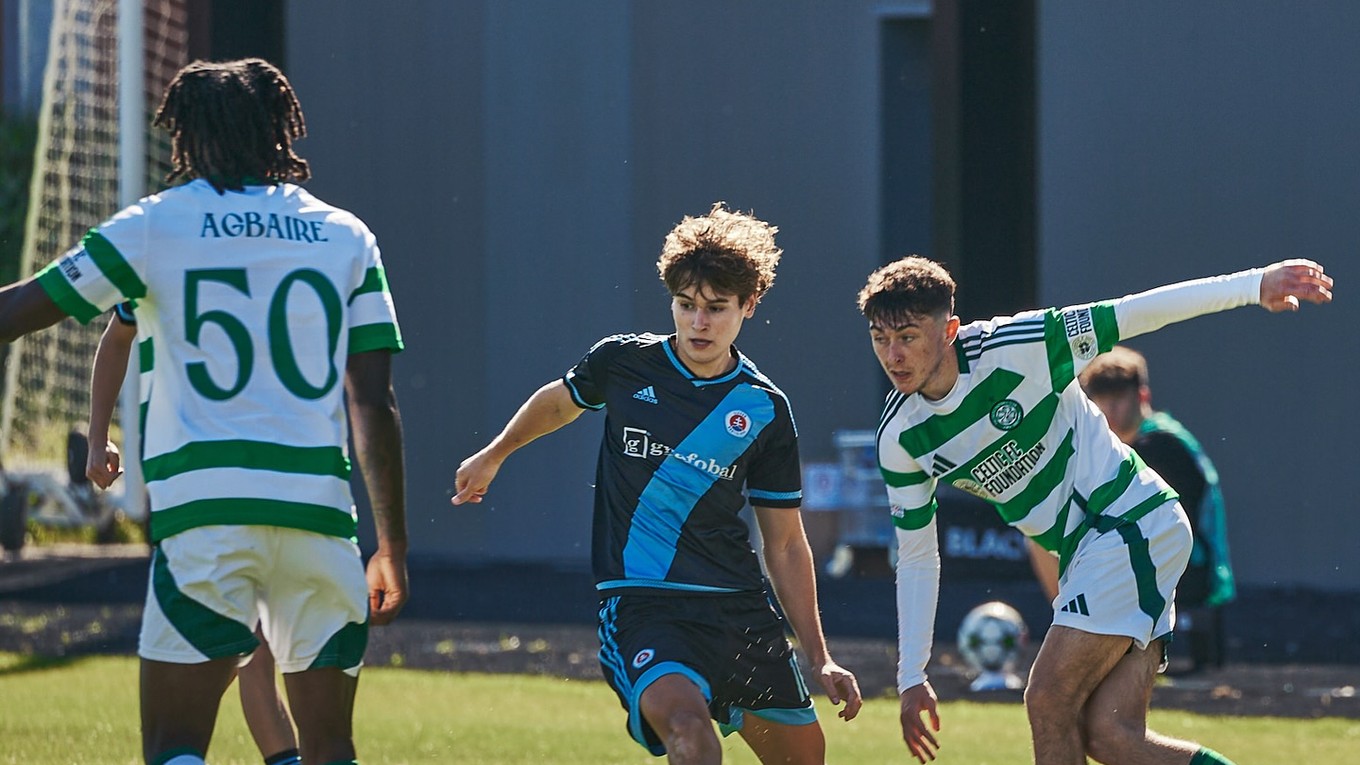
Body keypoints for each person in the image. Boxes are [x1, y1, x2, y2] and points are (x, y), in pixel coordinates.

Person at [0, 58, 408, 765]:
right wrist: (392, 544)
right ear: (280, 129)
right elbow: (373, 402)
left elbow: (22, 310)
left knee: (175, 745)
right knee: (330, 749)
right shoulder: (348, 236)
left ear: (185, 133)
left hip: (207, 520)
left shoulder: (158, 226)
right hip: (319, 521)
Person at [857, 255, 1331, 765]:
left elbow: (1131, 313)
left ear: (949, 329)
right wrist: (912, 675)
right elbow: (917, 556)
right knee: (1110, 736)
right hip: (1101, 547)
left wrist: (1252, 285)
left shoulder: (1021, 345)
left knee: (1047, 698)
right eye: (880, 339)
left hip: (1131, 521)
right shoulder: (900, 439)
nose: (893, 355)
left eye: (907, 336)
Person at [453, 202, 862, 764]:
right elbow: (559, 402)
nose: (699, 322)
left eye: (716, 309)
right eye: (686, 305)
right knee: (691, 735)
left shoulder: (764, 408)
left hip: (739, 609)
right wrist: (496, 454)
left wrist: (820, 656)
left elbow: (786, 543)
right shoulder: (624, 363)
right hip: (646, 606)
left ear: (749, 305)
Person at [86, 304, 302, 765]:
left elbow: (117, 332)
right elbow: (118, 332)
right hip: (227, 496)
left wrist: (97, 436)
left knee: (248, 658)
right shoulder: (169, 246)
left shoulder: (163, 244)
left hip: (213, 495)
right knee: (247, 658)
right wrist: (96, 436)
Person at [1028, 345, 1235, 672]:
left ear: (1142, 396)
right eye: (1100, 399)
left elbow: (1163, 527)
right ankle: (1074, 626)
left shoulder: (1160, 444)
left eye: (1118, 398)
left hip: (1186, 570)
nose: (1109, 409)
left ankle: (1079, 634)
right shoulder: (1124, 447)